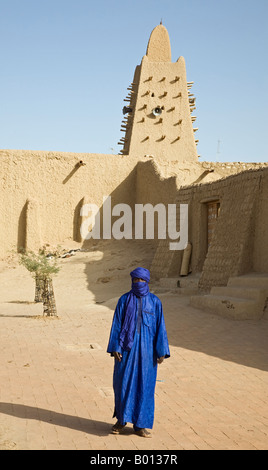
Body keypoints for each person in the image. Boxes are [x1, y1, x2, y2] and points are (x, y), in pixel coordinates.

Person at [107, 266, 170, 438]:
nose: (139, 283)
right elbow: (117, 324)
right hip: (126, 351)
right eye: (136, 280)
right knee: (123, 385)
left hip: (147, 353)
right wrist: (115, 348)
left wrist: (161, 351)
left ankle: (140, 425)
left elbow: (160, 328)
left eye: (142, 280)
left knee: (145, 387)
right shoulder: (124, 300)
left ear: (147, 282)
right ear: (132, 281)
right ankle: (121, 420)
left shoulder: (155, 302)